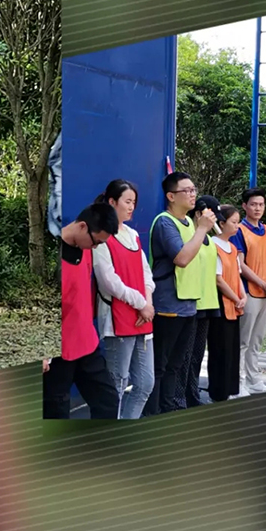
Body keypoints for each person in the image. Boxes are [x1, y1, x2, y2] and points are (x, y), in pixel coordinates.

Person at [143, 172, 216, 416]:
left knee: (176, 364)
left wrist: (199, 229)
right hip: (168, 305)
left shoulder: (189, 224)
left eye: (194, 189)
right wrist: (202, 229)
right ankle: (152, 413)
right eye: (187, 190)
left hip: (189, 305)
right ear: (171, 196)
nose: (193, 194)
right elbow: (182, 258)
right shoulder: (165, 223)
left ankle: (169, 409)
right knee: (160, 365)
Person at [43, 202, 121, 420]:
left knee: (107, 402)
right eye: (96, 242)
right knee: (56, 411)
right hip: (59, 351)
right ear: (83, 227)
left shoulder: (86, 248)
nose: (95, 247)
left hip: (87, 343)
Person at [92, 179, 155, 419]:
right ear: (112, 202)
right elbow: (109, 281)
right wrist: (141, 303)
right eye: (127, 202)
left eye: (134, 202)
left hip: (142, 318)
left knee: (145, 383)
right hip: (116, 319)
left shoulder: (133, 235)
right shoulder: (101, 237)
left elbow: (146, 273)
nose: (131, 207)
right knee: (117, 383)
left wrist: (147, 304)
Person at [176, 194, 223, 408]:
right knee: (184, 356)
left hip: (208, 304)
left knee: (196, 356)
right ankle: (180, 399)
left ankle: (192, 396)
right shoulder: (189, 237)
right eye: (212, 216)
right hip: (192, 303)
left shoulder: (210, 241)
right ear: (199, 214)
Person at [230, 186, 266, 395]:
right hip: (248, 291)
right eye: (253, 204)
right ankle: (238, 383)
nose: (257, 208)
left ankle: (253, 379)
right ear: (244, 206)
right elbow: (240, 264)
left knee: (257, 339)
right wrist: (262, 283)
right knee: (243, 341)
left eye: (261, 204)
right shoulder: (239, 230)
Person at [208, 204, 245, 402]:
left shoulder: (231, 247)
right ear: (221, 223)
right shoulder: (213, 245)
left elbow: (237, 275)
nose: (237, 226)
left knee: (232, 348)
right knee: (220, 349)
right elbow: (218, 279)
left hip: (235, 304)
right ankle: (219, 393)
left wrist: (243, 296)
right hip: (221, 304)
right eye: (234, 222)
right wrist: (236, 298)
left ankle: (231, 388)